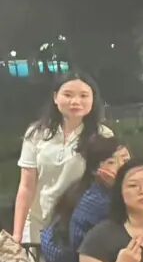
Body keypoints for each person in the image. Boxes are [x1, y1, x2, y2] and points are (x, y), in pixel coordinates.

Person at [14, 72, 113, 245]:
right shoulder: (36, 133)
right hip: (40, 224)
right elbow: (26, 187)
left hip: (82, 226)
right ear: (55, 97)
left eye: (84, 95)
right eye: (68, 95)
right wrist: (17, 234)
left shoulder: (103, 135)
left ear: (93, 100)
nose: (75, 101)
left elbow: (110, 183)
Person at [40, 135, 129, 262]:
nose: (122, 167)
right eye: (111, 162)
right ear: (95, 170)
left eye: (126, 160)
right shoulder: (96, 200)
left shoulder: (94, 187)